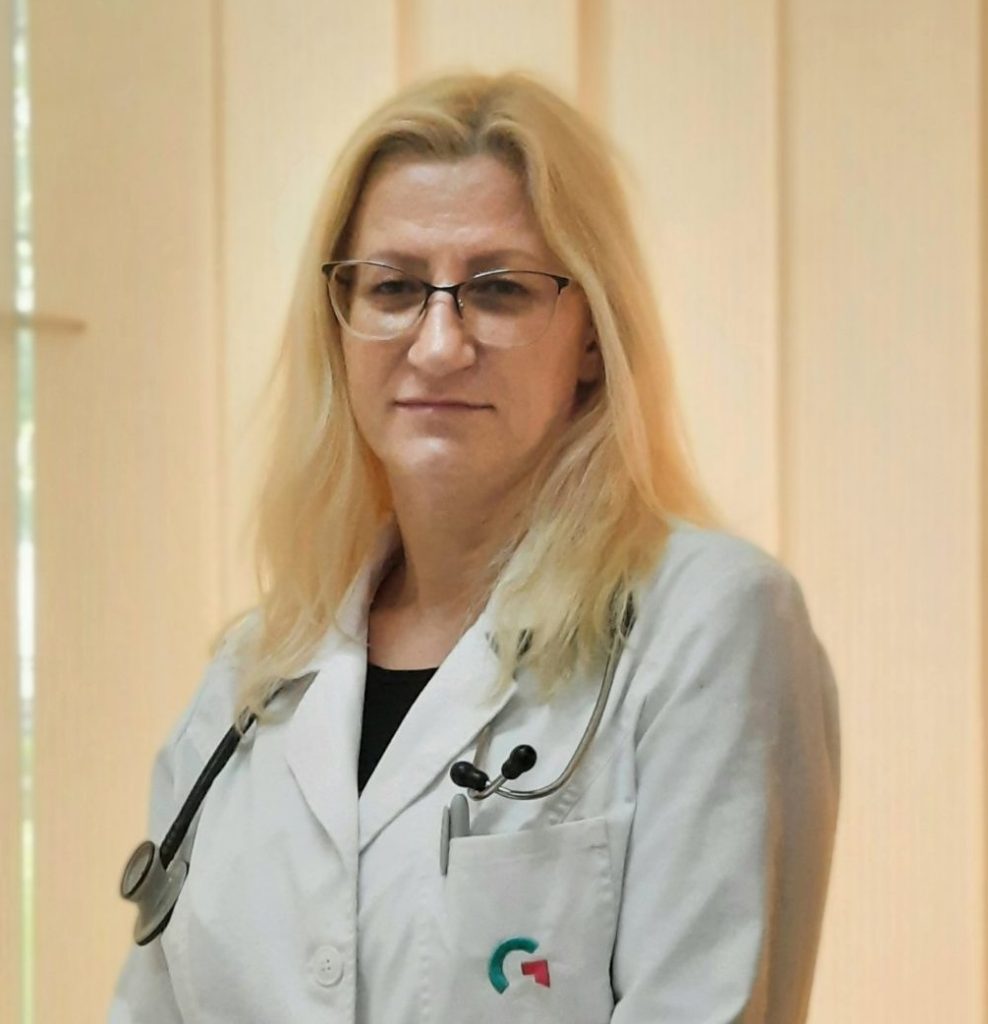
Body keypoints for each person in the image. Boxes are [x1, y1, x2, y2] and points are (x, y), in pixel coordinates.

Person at [108, 71, 841, 1024]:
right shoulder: (249, 680)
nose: (439, 344)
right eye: (394, 287)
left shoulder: (707, 625)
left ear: (591, 338)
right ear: (339, 327)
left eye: (498, 290)